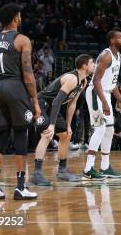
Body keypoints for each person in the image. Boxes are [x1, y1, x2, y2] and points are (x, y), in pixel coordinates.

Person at [0, 3, 41, 200]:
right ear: (16, 18)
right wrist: (35, 101)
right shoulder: (22, 40)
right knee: (20, 135)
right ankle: (20, 187)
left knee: (0, 138)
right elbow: (28, 74)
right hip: (15, 87)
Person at [31, 54, 94, 185]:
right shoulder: (72, 79)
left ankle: (62, 170)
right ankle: (36, 173)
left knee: (65, 134)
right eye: (92, 63)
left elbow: (72, 104)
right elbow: (56, 102)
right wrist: (52, 125)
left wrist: (69, 125)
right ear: (84, 66)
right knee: (47, 134)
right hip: (41, 103)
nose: (94, 65)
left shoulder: (83, 82)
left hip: (52, 106)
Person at [83, 30, 121, 179]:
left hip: (105, 94)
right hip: (96, 94)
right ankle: (88, 168)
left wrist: (120, 100)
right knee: (100, 129)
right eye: (120, 37)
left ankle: (105, 166)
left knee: (109, 130)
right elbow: (95, 81)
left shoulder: (118, 56)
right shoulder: (106, 55)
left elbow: (112, 83)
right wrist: (104, 102)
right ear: (113, 40)